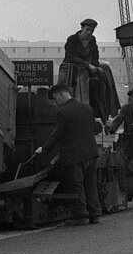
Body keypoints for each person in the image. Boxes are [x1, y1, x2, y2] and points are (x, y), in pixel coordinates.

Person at [34, 84, 101, 225]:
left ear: (60, 94)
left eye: (55, 99)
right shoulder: (87, 108)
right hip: (91, 152)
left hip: (74, 155)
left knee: (77, 185)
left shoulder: (64, 112)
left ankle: (81, 215)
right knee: (91, 185)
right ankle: (95, 214)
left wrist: (44, 149)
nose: (55, 103)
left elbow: (56, 134)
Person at [63, 18, 112, 123]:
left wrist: (96, 67)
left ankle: (100, 111)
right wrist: (88, 65)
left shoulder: (92, 40)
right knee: (65, 88)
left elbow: (95, 56)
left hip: (85, 69)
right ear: (82, 28)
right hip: (70, 67)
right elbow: (70, 56)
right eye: (87, 30)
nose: (89, 32)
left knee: (102, 77)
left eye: (92, 30)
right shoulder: (72, 39)